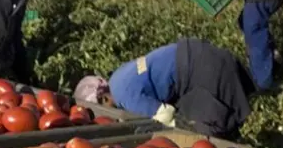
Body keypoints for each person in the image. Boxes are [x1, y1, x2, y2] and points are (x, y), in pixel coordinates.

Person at [73, 38, 255, 140]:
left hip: (200, 70)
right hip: (196, 55)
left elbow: (165, 114)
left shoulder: (124, 97)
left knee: (206, 135)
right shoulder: (117, 78)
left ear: (104, 99)